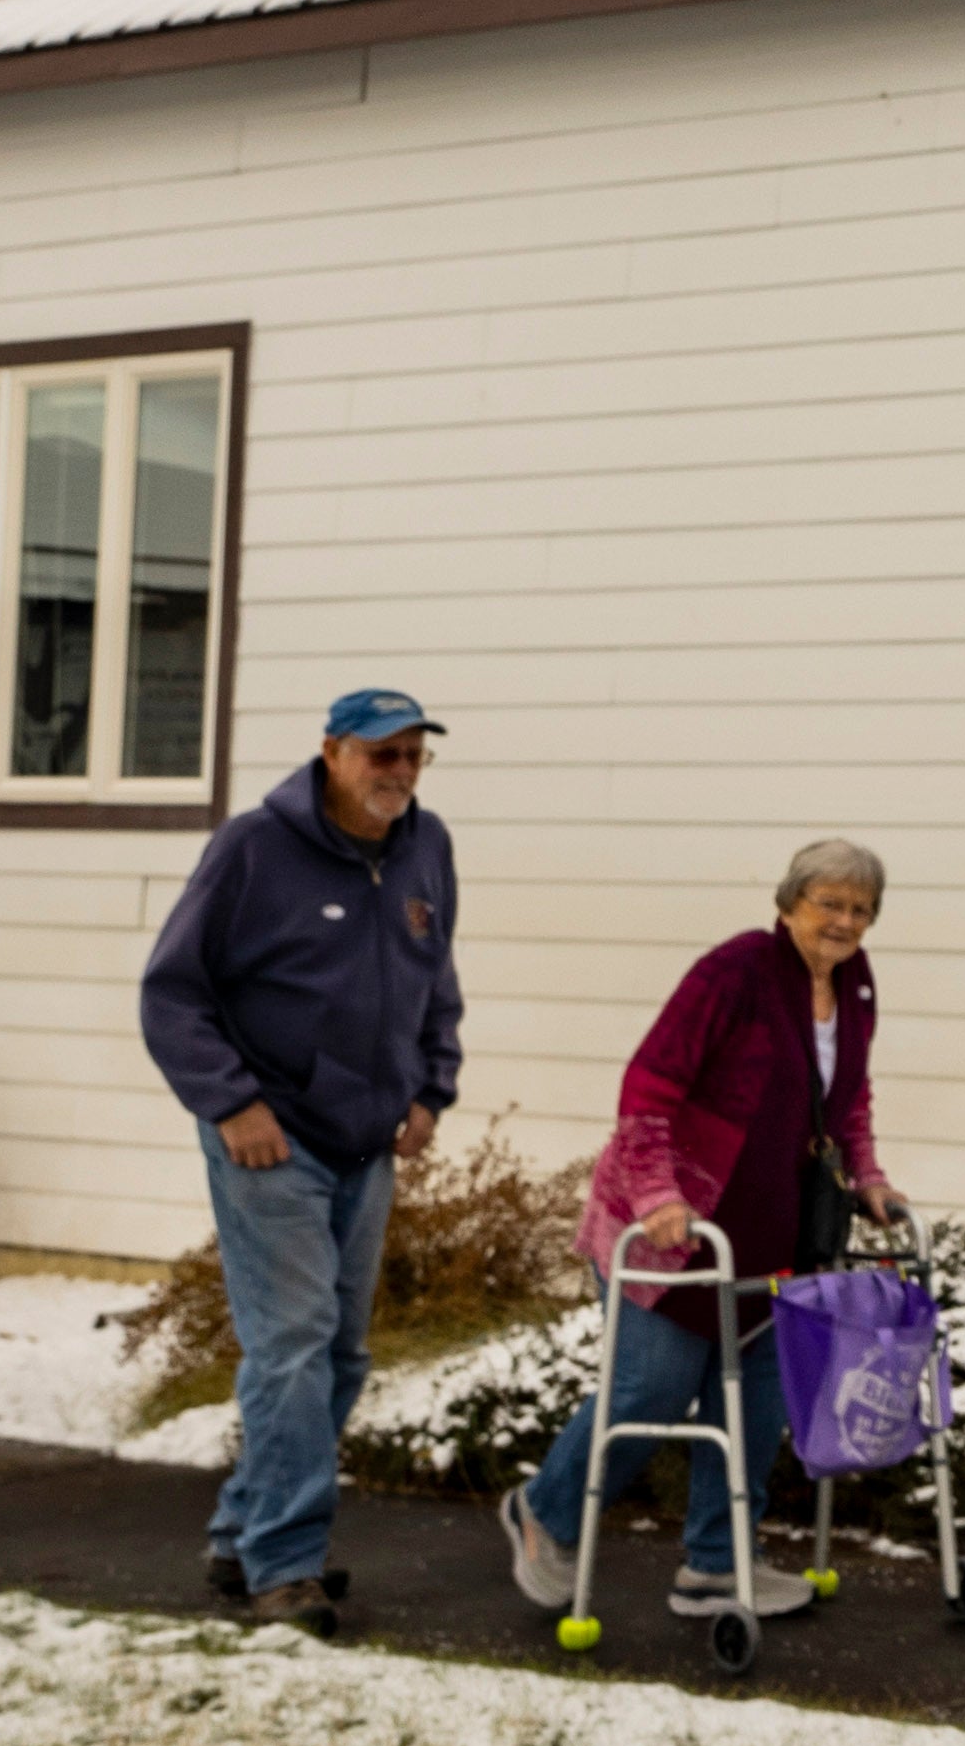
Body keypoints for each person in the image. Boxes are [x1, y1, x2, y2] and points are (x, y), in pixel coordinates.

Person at [505, 839, 902, 1635]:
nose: (845, 921)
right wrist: (658, 1192)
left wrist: (867, 1177)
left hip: (772, 1232)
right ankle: (542, 1513)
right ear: (789, 903)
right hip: (671, 1227)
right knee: (650, 1389)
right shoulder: (734, 974)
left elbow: (847, 1099)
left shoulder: (854, 986)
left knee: (755, 1396)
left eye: (860, 909)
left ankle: (716, 1564)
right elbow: (649, 1083)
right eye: (829, 902)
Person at [139, 686, 464, 1622]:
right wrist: (231, 1103)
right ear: (331, 751)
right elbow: (172, 993)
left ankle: (245, 1535)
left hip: (367, 1138)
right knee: (291, 1349)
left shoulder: (426, 845)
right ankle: (286, 1565)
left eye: (413, 755)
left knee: (342, 1352)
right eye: (380, 754)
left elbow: (434, 973)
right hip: (268, 1138)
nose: (398, 773)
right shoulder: (253, 847)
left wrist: (429, 1086)